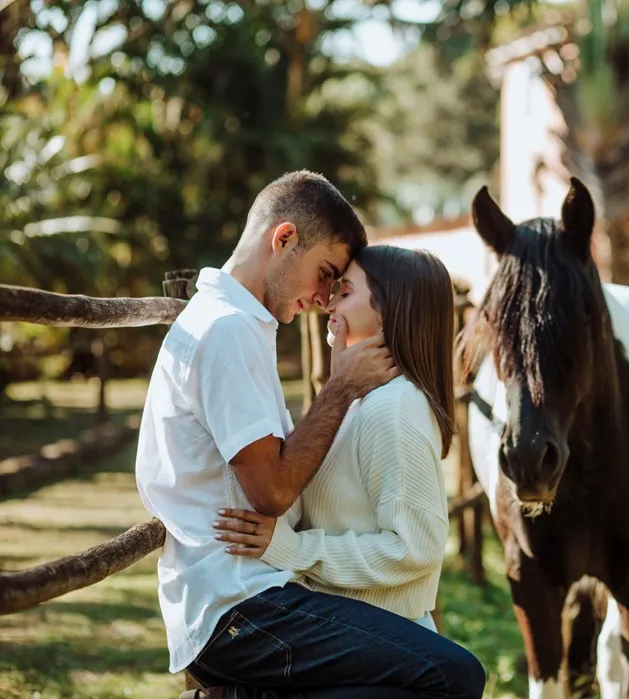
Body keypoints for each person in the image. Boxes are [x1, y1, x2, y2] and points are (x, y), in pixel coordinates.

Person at [133, 171, 485, 698]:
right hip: (240, 604)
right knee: (453, 677)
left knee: (436, 671)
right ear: (284, 239)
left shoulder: (238, 326)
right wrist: (338, 389)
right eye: (326, 275)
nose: (324, 299)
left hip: (242, 596)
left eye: (340, 286)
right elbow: (272, 491)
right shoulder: (228, 330)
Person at [213, 246, 456, 640]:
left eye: (345, 292)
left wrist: (295, 550)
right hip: (347, 628)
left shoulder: (395, 407)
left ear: (387, 311)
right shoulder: (360, 400)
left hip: (386, 640)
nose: (327, 301)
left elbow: (416, 547)